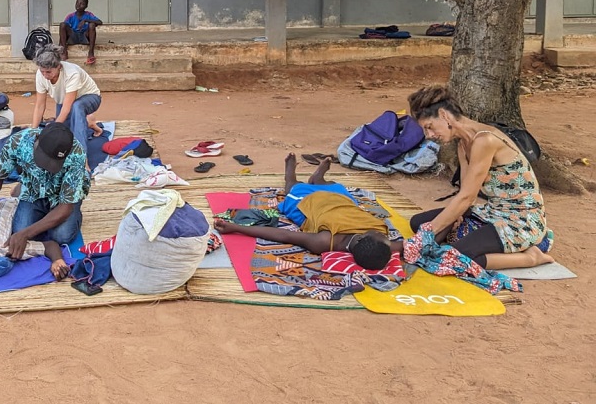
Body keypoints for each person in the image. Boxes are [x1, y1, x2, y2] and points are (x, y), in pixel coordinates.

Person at [406, 85, 552, 270]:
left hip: (521, 220)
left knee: (454, 258)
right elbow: (468, 195)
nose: (429, 135)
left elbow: (466, 197)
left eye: (429, 127)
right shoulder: (463, 145)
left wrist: (427, 234)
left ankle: (532, 257)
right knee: (417, 222)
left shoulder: (485, 140)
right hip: (493, 212)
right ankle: (484, 241)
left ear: (444, 115)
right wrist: (450, 217)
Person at [214, 153, 397, 270]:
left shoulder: (324, 241)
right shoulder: (382, 243)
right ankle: (318, 178)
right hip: (344, 201)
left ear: (359, 238)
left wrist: (235, 227)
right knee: (335, 187)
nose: (379, 231)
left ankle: (290, 175)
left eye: (375, 233)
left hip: (309, 203)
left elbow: (282, 235)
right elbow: (409, 245)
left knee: (293, 191)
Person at [0, 122, 89, 255]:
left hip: (62, 198)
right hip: (33, 191)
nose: (47, 166)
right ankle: (23, 189)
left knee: (61, 236)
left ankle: (75, 208)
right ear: (36, 140)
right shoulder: (18, 142)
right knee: (19, 229)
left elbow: (65, 207)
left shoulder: (77, 154)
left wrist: (26, 234)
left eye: (53, 163)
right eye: (44, 160)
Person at [31, 44, 102, 155]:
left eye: (48, 72)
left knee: (76, 108)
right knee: (63, 133)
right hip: (64, 103)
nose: (45, 75)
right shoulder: (40, 75)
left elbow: (67, 107)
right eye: (42, 71)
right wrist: (33, 131)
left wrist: (53, 128)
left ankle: (82, 156)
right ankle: (89, 123)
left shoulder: (72, 73)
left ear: (58, 66)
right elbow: (40, 105)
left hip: (90, 98)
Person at [59, 0, 102, 64]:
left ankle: (91, 52)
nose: (78, 5)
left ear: (86, 6)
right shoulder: (71, 16)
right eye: (77, 3)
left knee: (92, 25)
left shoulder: (89, 14)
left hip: (85, 36)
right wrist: (61, 44)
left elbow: (100, 22)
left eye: (82, 4)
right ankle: (64, 51)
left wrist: (86, 20)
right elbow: (63, 29)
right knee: (62, 24)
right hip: (73, 36)